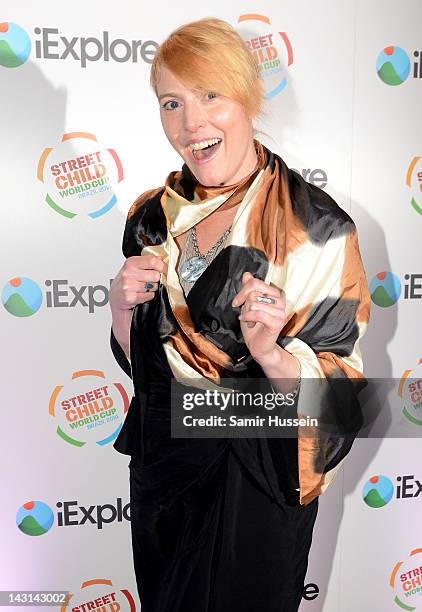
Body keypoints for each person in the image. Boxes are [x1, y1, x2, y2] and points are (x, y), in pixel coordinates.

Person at [109, 17, 371, 612]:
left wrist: (275, 355)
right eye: (171, 102)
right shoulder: (151, 218)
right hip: (164, 480)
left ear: (247, 97)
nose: (190, 123)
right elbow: (142, 365)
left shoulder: (317, 228)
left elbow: (343, 397)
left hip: (255, 480)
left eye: (209, 95)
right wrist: (120, 306)